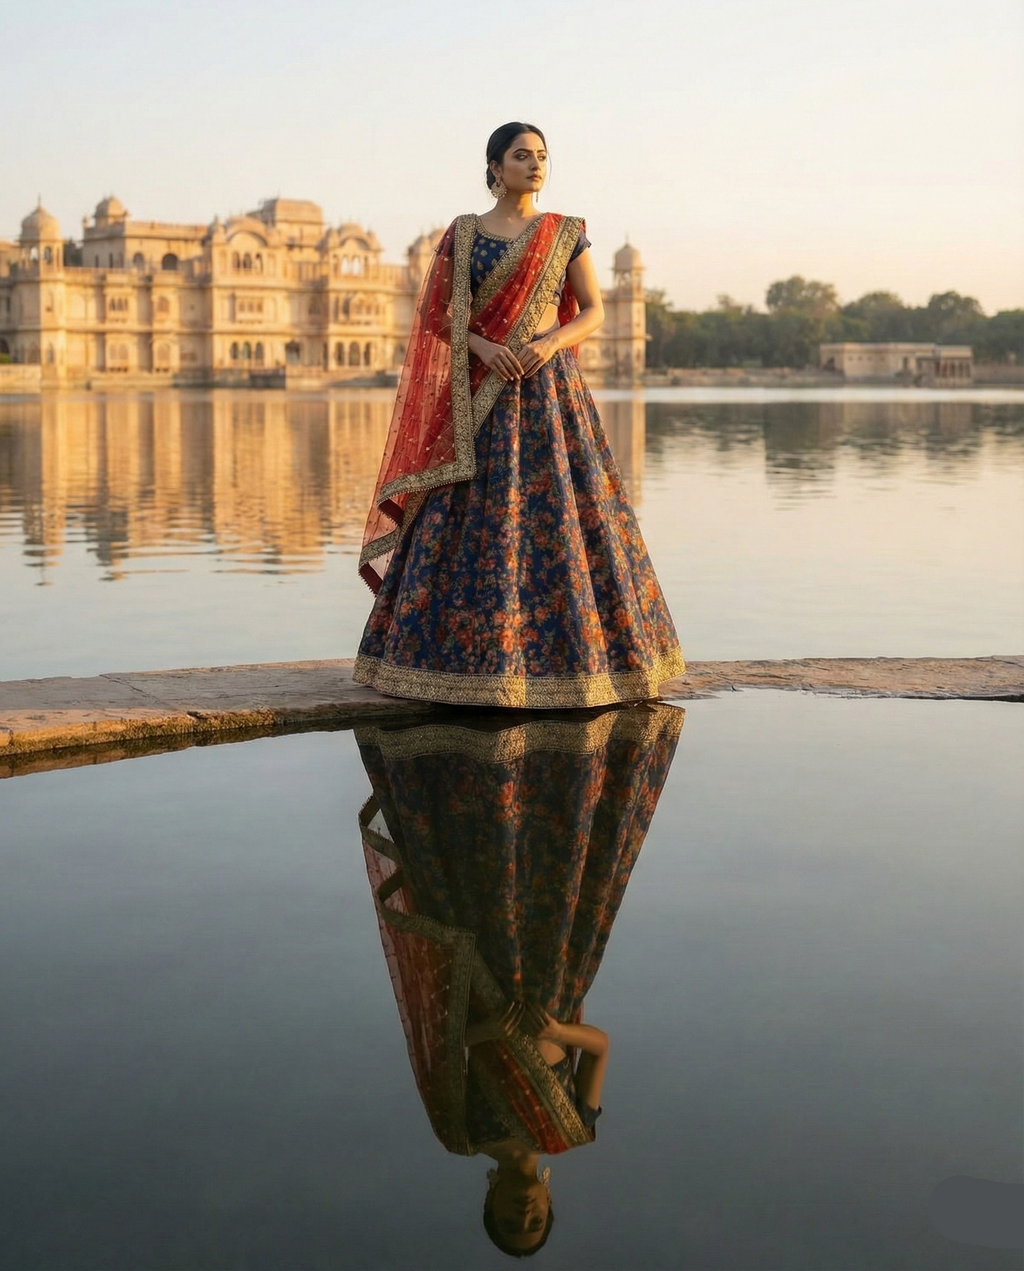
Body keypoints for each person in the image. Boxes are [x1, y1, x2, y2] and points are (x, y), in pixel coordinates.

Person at [354, 122, 684, 708]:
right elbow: (438, 317)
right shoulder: (464, 234)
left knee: (560, 516)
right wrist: (484, 347)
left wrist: (547, 344)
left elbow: (593, 312)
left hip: (549, 393)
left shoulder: (564, 233)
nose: (535, 166)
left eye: (542, 157)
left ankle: (578, 664)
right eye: (521, 156)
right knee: (472, 520)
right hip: (479, 394)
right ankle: (444, 665)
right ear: (494, 167)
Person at [356, 704, 684, 1255]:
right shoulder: (573, 1132)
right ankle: (573, 759)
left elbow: (443, 1047)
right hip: (554, 982)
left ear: (489, 1206)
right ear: (549, 1207)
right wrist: (557, 1033)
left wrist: (493, 1034)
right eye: (534, 1223)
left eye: (510, 1223)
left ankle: (470, 753)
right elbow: (600, 1048)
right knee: (561, 871)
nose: (523, 1214)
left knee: (487, 866)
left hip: (485, 976)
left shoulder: (460, 1136)